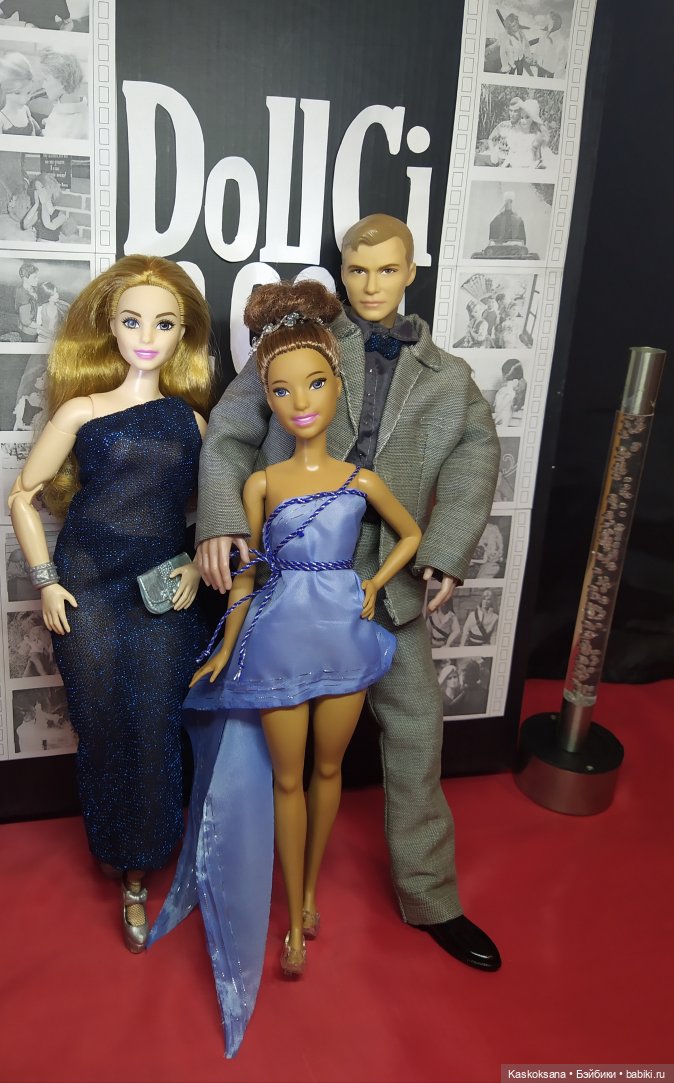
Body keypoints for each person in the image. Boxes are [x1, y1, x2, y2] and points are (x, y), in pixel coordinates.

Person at [192, 213, 502, 974]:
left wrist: (445, 552)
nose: (370, 285)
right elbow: (229, 433)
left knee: (418, 727)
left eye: (387, 270)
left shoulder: (449, 378)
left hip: (385, 586)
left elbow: (476, 455)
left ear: (411, 273)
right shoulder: (306, 342)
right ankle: (247, 883)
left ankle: (431, 895)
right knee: (270, 749)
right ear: (342, 272)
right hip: (293, 583)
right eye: (357, 270)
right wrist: (223, 521)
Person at [151, 279, 420, 1055]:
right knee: (288, 778)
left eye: (314, 384)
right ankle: (292, 916)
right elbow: (247, 576)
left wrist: (374, 582)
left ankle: (305, 895)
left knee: (329, 769)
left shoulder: (361, 480)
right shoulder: (261, 482)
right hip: (278, 638)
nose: (300, 402)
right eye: (281, 389)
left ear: (337, 386)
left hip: (343, 635)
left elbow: (408, 534)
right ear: (266, 394)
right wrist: (226, 646)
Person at [7, 255, 214, 953]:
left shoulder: (192, 421)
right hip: (87, 586)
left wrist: (197, 561)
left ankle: (141, 867)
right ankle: (114, 846)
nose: (147, 337)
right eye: (132, 321)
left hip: (164, 589)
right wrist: (46, 579)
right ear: (111, 329)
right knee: (101, 723)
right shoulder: (83, 410)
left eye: (164, 323)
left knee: (155, 724)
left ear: (183, 332)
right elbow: (22, 495)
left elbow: (219, 509)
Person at [0, 52, 40, 136]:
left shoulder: (26, 110)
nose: (24, 100)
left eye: (28, 92)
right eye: (17, 93)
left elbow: (34, 137)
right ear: (4, 89)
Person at [36, 48, 88, 139]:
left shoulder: (64, 132)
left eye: (45, 79)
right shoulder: (79, 109)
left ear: (62, 81)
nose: (43, 85)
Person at [20, 173, 69, 241]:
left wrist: (43, 204)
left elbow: (49, 225)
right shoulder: (39, 213)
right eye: (37, 189)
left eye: (42, 188)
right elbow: (25, 225)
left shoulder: (61, 215)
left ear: (51, 189)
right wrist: (36, 204)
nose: (39, 192)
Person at [532, 12, 568, 78]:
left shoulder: (559, 39)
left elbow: (563, 57)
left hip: (550, 68)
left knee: (548, 81)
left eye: (549, 20)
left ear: (555, 23)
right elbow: (539, 47)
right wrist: (535, 57)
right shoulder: (544, 35)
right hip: (540, 64)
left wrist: (559, 72)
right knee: (539, 80)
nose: (546, 22)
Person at [14, 262, 40, 341]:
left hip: (33, 327)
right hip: (28, 332)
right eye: (34, 277)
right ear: (25, 278)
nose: (37, 279)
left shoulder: (31, 288)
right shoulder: (23, 296)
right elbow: (25, 321)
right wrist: (42, 327)